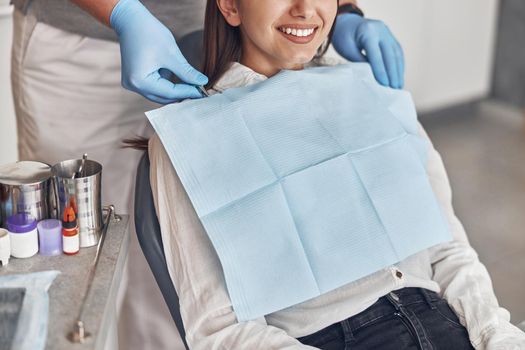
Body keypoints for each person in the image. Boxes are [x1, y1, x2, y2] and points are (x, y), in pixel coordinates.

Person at [10, 0, 405, 348]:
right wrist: (120, 10)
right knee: (74, 269)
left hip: (219, 36)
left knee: (172, 292)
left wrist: (345, 9)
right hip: (79, 46)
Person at [147, 0, 525, 349]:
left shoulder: (368, 88)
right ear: (230, 5)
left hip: (448, 323)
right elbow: (218, 330)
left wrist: (495, 332)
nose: (305, 9)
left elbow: (447, 248)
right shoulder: (192, 136)